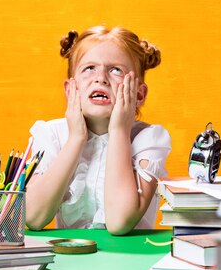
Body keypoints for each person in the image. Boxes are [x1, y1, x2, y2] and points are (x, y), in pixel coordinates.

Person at [25, 25, 171, 235]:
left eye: (115, 70)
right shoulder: (51, 135)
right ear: (70, 89)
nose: (100, 78)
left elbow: (119, 222)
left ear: (139, 94)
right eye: (89, 68)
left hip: (128, 262)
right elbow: (34, 217)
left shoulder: (149, 140)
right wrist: (76, 138)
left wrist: (120, 131)